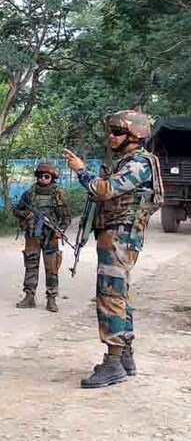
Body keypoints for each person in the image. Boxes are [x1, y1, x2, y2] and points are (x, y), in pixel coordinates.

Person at [64, 110, 163, 389]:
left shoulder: (139, 163)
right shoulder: (130, 161)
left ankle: (113, 363)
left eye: (118, 132)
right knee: (119, 295)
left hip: (119, 237)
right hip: (117, 235)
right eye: (111, 130)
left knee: (110, 296)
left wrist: (81, 170)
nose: (111, 136)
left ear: (136, 135)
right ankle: (125, 358)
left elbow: (103, 190)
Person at [11, 162, 71, 312]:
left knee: (52, 268)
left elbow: (66, 218)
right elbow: (16, 210)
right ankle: (29, 296)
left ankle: (51, 299)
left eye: (47, 176)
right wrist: (27, 214)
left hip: (50, 236)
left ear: (52, 178)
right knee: (31, 265)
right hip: (32, 236)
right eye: (41, 176)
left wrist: (60, 230)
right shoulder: (29, 194)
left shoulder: (57, 195)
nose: (44, 179)